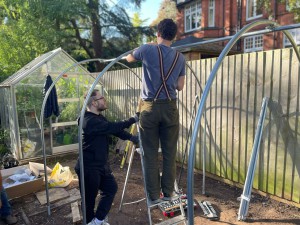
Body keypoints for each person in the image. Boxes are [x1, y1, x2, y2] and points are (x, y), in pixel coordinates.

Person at [126, 18, 186, 204]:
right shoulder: (180, 57)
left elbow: (129, 58)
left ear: (158, 33)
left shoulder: (147, 49)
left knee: (150, 153)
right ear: (174, 36)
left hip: (149, 107)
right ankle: (167, 193)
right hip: (170, 107)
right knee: (169, 152)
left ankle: (153, 196)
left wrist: (149, 46)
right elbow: (180, 86)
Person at [75, 89, 139, 225]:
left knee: (111, 188)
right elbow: (112, 126)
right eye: (102, 98)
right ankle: (89, 222)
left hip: (101, 164)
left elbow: (114, 130)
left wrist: (132, 138)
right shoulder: (87, 120)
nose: (105, 100)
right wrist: (132, 120)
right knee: (89, 200)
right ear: (93, 102)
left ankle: (97, 221)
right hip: (88, 167)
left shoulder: (99, 118)